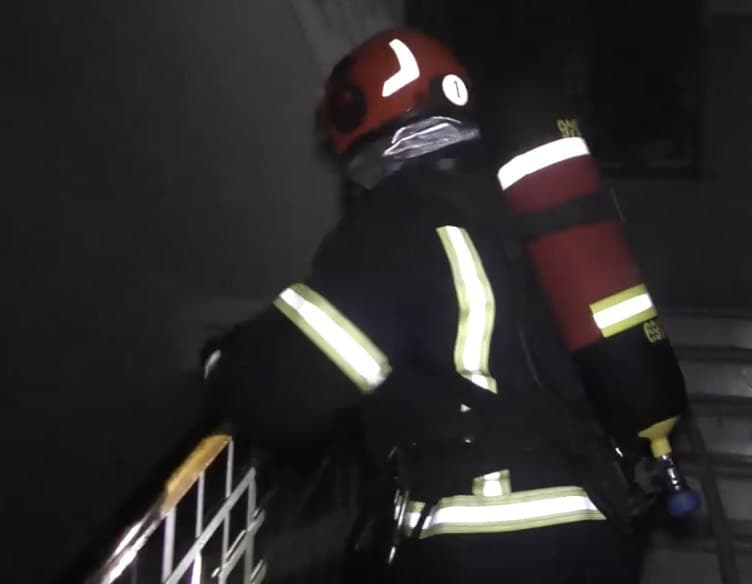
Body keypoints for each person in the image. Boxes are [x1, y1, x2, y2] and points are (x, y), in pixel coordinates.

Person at [204, 28, 644, 584]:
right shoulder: (528, 207)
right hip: (598, 530)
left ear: (358, 121)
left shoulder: (396, 223)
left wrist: (221, 365)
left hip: (488, 542)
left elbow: (290, 392)